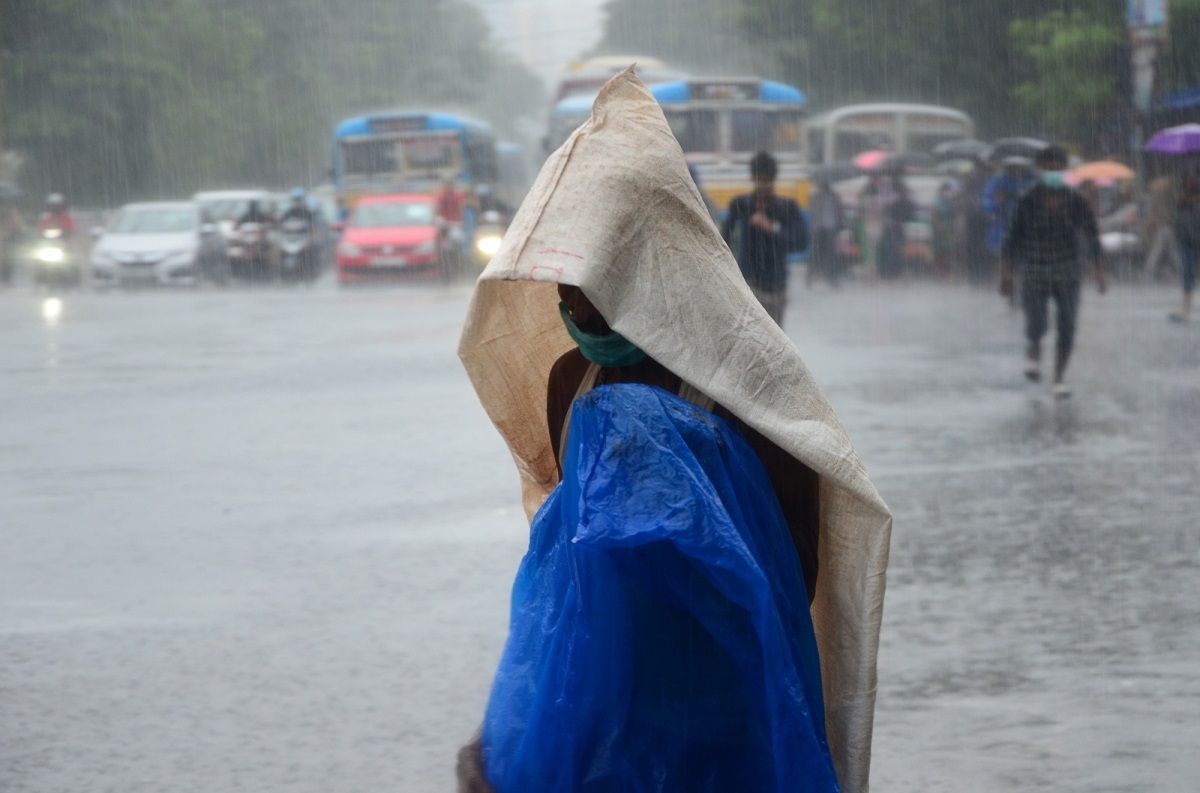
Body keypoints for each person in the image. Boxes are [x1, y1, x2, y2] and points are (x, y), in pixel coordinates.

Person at [457, 69, 891, 793]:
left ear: (640, 264)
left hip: (725, 717)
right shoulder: (573, 381)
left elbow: (791, 570)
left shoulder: (743, 384)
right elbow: (564, 578)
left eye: (590, 277)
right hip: (599, 719)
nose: (570, 299)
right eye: (561, 276)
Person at [1000, 145, 1107, 398]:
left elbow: (1092, 236)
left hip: (1068, 271)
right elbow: (1012, 238)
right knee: (1036, 322)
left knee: (1067, 325)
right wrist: (1005, 273)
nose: (1053, 172)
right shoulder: (1027, 200)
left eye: (1058, 167)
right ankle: (1033, 353)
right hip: (1034, 269)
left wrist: (1099, 271)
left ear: (1065, 169)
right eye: (1049, 167)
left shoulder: (1077, 201)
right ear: (1040, 169)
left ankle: (1059, 378)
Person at [720, 151, 808, 326]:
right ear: (753, 178)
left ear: (773, 180)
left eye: (766, 180)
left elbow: (800, 242)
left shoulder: (786, 208)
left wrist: (773, 228)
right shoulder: (741, 205)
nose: (762, 185)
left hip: (776, 285)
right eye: (759, 179)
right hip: (748, 284)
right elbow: (723, 242)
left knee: (773, 343)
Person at [983, 157, 1035, 276]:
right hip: (1004, 224)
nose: (1017, 169)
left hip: (1028, 225)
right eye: (1013, 167)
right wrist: (996, 203)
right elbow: (988, 200)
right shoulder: (999, 181)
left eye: (1020, 166)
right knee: (1004, 254)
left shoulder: (1032, 180)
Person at [1171, 168, 1200, 323]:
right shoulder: (1182, 201)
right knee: (1188, 275)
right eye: (1188, 179)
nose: (1191, 181)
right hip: (1187, 242)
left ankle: (1185, 310)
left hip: (1193, 241)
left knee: (1188, 275)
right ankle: (1186, 309)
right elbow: (1179, 209)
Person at [807, 177, 846, 286]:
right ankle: (811, 275)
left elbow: (839, 210)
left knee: (830, 253)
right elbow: (812, 210)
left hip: (830, 227)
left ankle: (830, 277)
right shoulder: (815, 196)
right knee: (817, 253)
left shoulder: (833, 196)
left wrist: (840, 222)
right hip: (819, 227)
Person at [1144, 173, 1182, 279]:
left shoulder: (1156, 195)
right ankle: (1180, 269)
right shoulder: (1168, 194)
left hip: (1163, 224)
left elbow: (1154, 210)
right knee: (1166, 249)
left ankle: (1150, 270)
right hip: (1166, 223)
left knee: (1162, 249)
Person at [878, 174, 914, 279]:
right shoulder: (901, 201)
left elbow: (888, 213)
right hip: (897, 228)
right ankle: (894, 271)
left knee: (892, 250)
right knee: (896, 250)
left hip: (893, 228)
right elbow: (909, 213)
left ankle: (890, 271)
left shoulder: (893, 201)